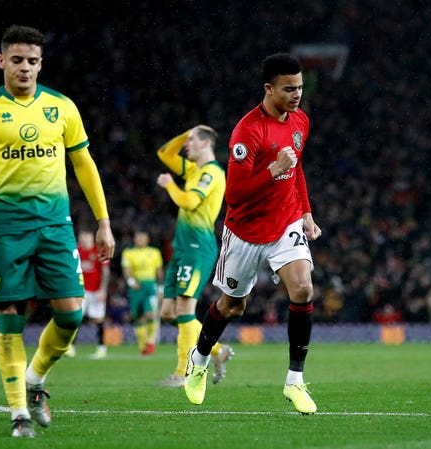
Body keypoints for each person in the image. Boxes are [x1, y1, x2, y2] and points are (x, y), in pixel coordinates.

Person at [0, 25, 115, 438]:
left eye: (33, 61)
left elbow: (85, 165)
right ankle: (18, 413)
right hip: (8, 230)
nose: (25, 67)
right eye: (18, 60)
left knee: (71, 314)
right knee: (9, 317)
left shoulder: (62, 107)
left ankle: (36, 378)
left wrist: (103, 221)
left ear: (41, 64)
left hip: (56, 225)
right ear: (2, 61)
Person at [183, 53, 321, 414]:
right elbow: (236, 194)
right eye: (289, 88)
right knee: (233, 306)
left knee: (304, 287)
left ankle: (295, 380)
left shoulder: (301, 121)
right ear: (269, 88)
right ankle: (198, 358)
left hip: (286, 222)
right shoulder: (248, 131)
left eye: (300, 87)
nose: (297, 95)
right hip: (245, 231)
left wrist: (305, 211)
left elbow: (297, 166)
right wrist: (274, 169)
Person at [155, 125, 234, 388]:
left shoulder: (211, 174)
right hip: (182, 247)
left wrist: (169, 185)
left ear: (205, 144)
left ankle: (182, 373)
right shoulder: (193, 169)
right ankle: (217, 350)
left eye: (191, 141)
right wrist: (187, 131)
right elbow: (165, 153)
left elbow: (189, 202)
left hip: (198, 247)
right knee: (169, 311)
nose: (185, 145)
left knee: (185, 309)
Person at [66, 229, 111, 359]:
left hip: (96, 291)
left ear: (93, 239)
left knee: (98, 319)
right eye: (83, 237)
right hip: (81, 291)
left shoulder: (100, 251)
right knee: (76, 318)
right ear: (79, 239)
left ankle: (101, 348)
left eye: (88, 237)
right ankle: (70, 348)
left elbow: (106, 272)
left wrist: (103, 290)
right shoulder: (76, 251)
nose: (85, 240)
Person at [120, 229, 163, 355]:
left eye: (142, 237)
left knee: (150, 314)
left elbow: (159, 271)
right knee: (138, 317)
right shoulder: (128, 253)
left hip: (150, 286)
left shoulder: (154, 252)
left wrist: (160, 288)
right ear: (134, 239)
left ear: (147, 239)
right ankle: (142, 345)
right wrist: (132, 282)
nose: (140, 240)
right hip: (136, 287)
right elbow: (127, 270)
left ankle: (150, 343)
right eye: (138, 238)